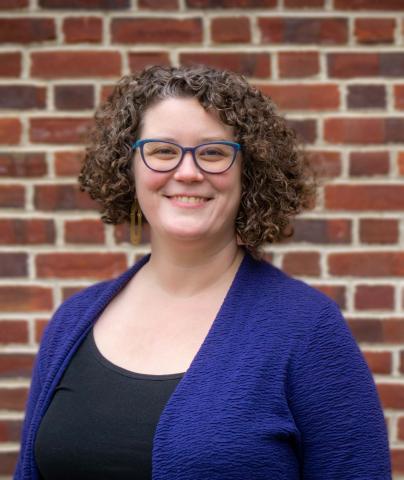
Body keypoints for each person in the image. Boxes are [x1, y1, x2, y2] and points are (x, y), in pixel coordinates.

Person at [14, 65, 391, 480]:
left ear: (248, 173)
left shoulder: (307, 331)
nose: (188, 172)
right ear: (130, 167)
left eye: (213, 152)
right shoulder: (71, 323)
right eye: (162, 151)